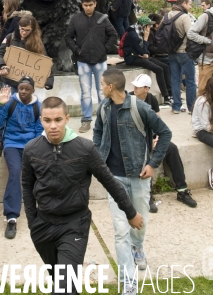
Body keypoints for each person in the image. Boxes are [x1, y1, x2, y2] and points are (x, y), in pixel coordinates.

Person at [22, 95, 143, 295]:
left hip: (74, 224)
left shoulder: (85, 149)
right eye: (47, 120)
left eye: (58, 120)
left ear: (67, 119)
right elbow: (26, 186)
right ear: (41, 120)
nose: (53, 126)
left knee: (64, 288)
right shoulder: (31, 150)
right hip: (42, 227)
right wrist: (32, 221)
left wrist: (130, 212)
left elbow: (110, 182)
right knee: (63, 282)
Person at [93, 68, 172, 294]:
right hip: (113, 178)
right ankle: (129, 280)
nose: (100, 88)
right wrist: (99, 158)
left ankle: (138, 246)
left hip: (138, 176)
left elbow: (165, 133)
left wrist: (153, 163)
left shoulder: (140, 108)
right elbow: (98, 133)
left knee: (139, 222)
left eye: (101, 84)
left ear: (110, 87)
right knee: (120, 231)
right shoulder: (104, 108)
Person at [131, 74, 197, 208]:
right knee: (144, 153)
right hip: (136, 139)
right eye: (134, 86)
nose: (135, 89)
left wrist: (157, 137)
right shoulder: (129, 99)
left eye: (138, 87)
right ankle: (147, 195)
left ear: (146, 89)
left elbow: (158, 123)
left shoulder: (152, 99)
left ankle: (182, 190)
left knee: (171, 148)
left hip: (151, 136)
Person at [0, 77, 43, 239]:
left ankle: (45, 211)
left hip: (31, 145)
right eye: (20, 88)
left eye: (26, 89)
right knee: (15, 172)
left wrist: (35, 148)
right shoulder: (10, 102)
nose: (22, 91)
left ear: (33, 90)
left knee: (41, 172)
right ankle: (12, 217)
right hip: (12, 144)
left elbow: (39, 129)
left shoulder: (38, 106)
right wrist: (1, 104)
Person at [65, 0, 117, 133]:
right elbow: (68, 37)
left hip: (100, 60)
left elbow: (113, 34)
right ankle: (86, 119)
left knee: (103, 90)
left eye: (90, 5)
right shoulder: (76, 19)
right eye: (85, 5)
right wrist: (77, 50)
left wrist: (104, 49)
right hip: (83, 61)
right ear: (82, 5)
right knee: (85, 92)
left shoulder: (102, 18)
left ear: (95, 4)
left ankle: (104, 119)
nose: (88, 8)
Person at [0, 15, 54, 92]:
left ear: (32, 30)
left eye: (27, 30)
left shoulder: (37, 43)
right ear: (19, 26)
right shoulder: (10, 37)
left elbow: (46, 62)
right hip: (9, 82)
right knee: (9, 103)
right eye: (22, 29)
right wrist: (2, 65)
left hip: (26, 85)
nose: (24, 32)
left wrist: (49, 81)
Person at [123, 16, 173, 105]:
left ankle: (170, 93)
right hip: (132, 58)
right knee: (159, 69)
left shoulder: (139, 31)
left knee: (165, 67)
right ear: (143, 26)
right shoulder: (133, 34)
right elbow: (142, 50)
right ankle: (166, 97)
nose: (150, 28)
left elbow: (145, 51)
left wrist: (145, 54)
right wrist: (146, 38)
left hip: (141, 56)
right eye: (149, 26)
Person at [166, 0, 197, 113]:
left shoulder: (167, 15)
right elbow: (191, 35)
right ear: (183, 4)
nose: (190, 7)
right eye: (189, 4)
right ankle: (191, 107)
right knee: (190, 82)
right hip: (184, 52)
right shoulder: (184, 17)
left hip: (171, 52)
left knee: (175, 80)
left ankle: (176, 106)